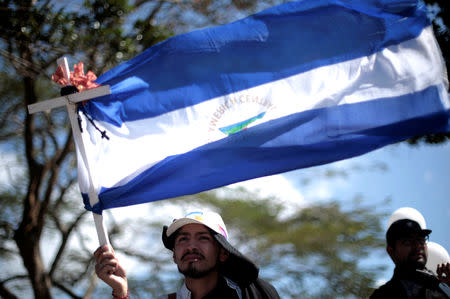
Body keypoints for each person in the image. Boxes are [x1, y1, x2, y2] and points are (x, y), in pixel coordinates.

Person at [94, 209, 281, 299]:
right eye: (183, 239)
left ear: (223, 252)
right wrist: (120, 292)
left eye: (203, 238)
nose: (191, 246)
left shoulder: (254, 294)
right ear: (174, 255)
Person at [370, 218, 450, 299]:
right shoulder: (383, 295)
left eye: (421, 240)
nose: (418, 246)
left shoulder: (440, 285)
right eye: (408, 242)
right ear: (391, 251)